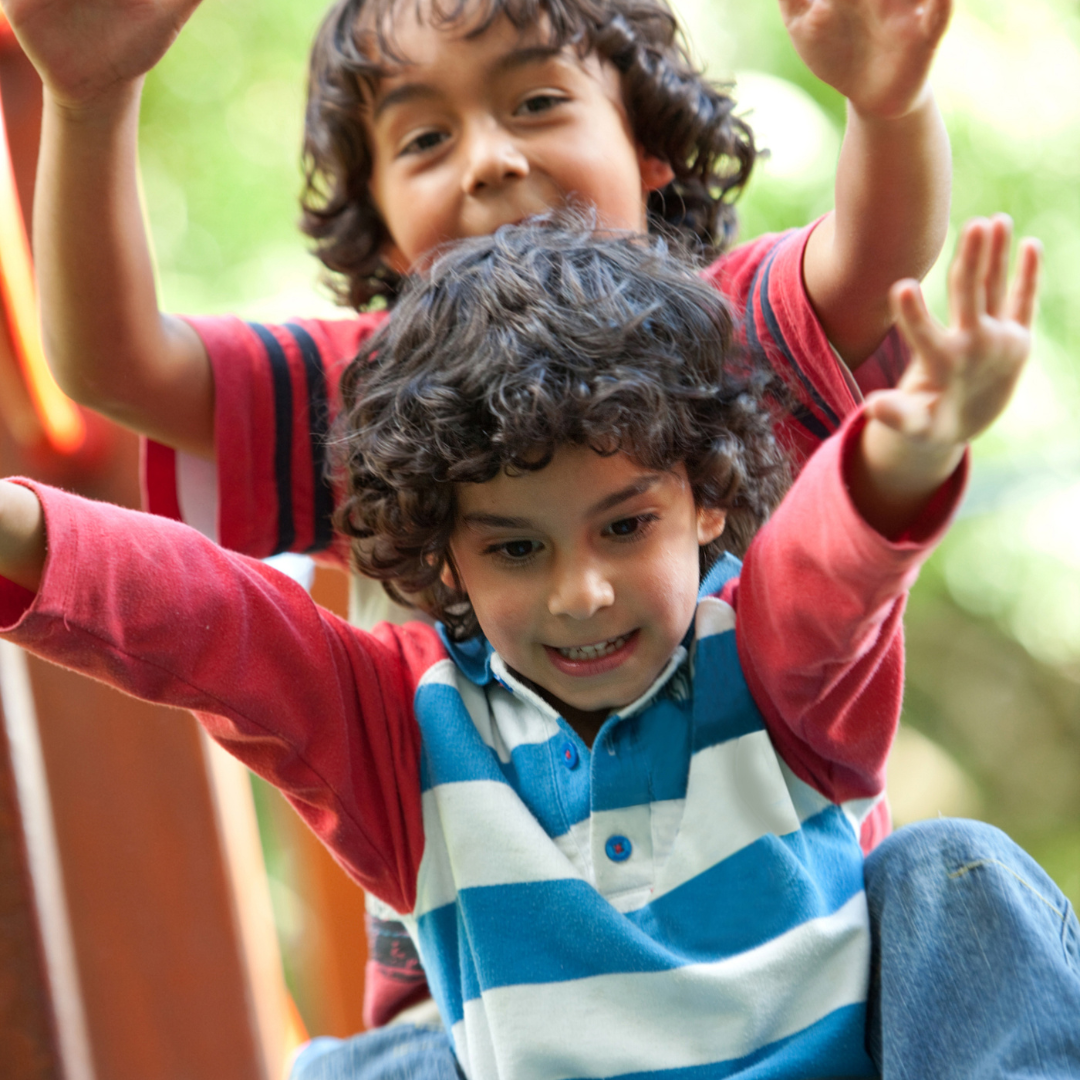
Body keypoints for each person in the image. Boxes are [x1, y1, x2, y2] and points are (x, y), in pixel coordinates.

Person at [6, 0, 953, 1046]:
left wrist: (888, 102)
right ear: (377, 214)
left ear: (646, 145)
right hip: (486, 988)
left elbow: (876, 261)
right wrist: (88, 103)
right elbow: (116, 370)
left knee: (953, 875)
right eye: (425, 139)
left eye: (537, 101)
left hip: (783, 953)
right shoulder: (373, 396)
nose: (490, 160)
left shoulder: (713, 339)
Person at [1, 220, 1076, 1080]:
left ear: (705, 505)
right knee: (363, 1068)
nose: (582, 592)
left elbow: (834, 570)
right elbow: (208, 622)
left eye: (624, 526)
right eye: (517, 547)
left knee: (951, 866)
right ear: (449, 561)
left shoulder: (770, 662)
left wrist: (910, 445)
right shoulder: (404, 737)